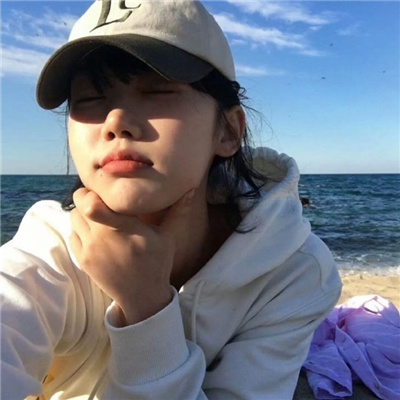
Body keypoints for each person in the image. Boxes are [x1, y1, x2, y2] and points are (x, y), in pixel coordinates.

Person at [0, 1, 342, 399]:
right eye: (89, 99)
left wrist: (146, 306)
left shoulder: (292, 271)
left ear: (228, 132)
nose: (115, 122)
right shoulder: (52, 251)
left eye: (157, 91)